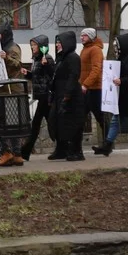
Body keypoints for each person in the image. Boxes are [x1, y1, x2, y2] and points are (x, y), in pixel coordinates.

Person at [49, 30, 85, 161]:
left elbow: (73, 76)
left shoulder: (73, 57)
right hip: (59, 95)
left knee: (72, 124)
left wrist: (67, 94)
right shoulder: (61, 58)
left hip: (71, 97)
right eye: (57, 42)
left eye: (60, 42)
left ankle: (76, 151)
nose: (57, 45)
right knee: (58, 123)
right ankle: (61, 149)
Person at [20, 34, 55, 161]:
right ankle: (25, 152)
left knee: (40, 124)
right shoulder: (35, 59)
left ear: (41, 46)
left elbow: (52, 75)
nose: (32, 47)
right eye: (32, 45)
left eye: (34, 45)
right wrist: (28, 74)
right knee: (48, 124)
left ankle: (25, 152)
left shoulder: (47, 58)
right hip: (41, 96)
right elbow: (37, 76)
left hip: (46, 95)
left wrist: (46, 65)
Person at [0, 22, 25, 167]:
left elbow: (17, 64)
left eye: (0, 34)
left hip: (11, 90)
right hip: (2, 90)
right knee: (6, 123)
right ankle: (13, 153)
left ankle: (11, 153)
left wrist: (6, 57)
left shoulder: (13, 47)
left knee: (10, 124)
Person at [79, 27, 106, 149]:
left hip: (95, 89)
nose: (81, 37)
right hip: (86, 88)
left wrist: (86, 84)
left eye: (84, 35)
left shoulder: (95, 50)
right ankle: (75, 145)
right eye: (81, 35)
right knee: (80, 116)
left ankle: (107, 144)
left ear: (90, 36)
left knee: (101, 117)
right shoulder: (85, 49)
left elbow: (96, 69)